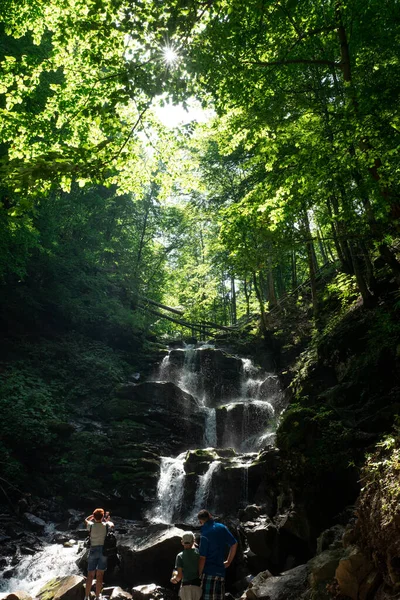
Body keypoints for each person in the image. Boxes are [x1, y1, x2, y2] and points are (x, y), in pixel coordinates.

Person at [197, 509, 238, 600]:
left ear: (201, 522)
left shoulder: (205, 534)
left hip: (208, 573)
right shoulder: (222, 527)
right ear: (210, 516)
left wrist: (199, 574)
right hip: (221, 572)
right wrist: (228, 561)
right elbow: (234, 544)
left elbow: (202, 557)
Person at [84, 508, 114, 600]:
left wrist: (91, 516)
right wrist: (106, 520)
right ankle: (97, 597)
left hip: (93, 550)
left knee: (90, 575)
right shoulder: (106, 525)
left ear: (94, 516)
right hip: (103, 551)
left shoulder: (91, 526)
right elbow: (112, 525)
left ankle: (86, 597)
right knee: (100, 575)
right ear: (102, 517)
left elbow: (85, 520)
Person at [171, 532, 202, 600]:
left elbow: (179, 576)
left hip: (185, 587)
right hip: (197, 586)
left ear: (182, 542)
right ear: (193, 541)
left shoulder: (180, 556)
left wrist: (174, 580)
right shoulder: (199, 553)